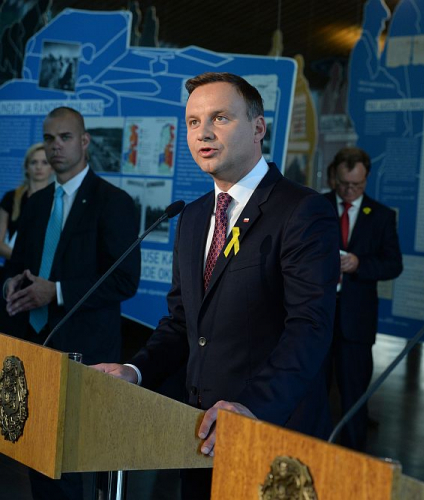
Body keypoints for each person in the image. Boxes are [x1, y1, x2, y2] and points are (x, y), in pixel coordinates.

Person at [93, 72, 339, 500]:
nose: (202, 132)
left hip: (271, 438)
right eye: (192, 122)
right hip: (199, 437)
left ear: (258, 127)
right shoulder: (190, 216)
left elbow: (309, 329)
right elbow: (183, 323)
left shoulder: (301, 210)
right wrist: (136, 371)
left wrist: (253, 407)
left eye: (220, 118)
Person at [2, 107, 140, 499]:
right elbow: (15, 265)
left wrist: (57, 291)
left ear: (84, 142)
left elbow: (124, 279)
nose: (55, 146)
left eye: (64, 137)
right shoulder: (36, 202)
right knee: (37, 460)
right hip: (32, 347)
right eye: (49, 138)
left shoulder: (113, 201)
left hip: (86, 351)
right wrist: (11, 282)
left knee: (73, 468)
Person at [323, 147, 403, 450]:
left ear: (366, 179)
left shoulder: (380, 216)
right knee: (313, 391)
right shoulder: (316, 206)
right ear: (335, 176)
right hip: (319, 315)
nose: (348, 191)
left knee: (354, 395)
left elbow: (393, 264)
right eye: (343, 184)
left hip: (356, 323)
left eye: (356, 185)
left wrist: (359, 264)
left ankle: (352, 458)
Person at [0, 143, 54, 260]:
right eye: (34, 162)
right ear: (26, 167)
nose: (39, 167)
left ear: (52, 168)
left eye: (44, 162)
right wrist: (20, 260)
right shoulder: (11, 197)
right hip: (13, 268)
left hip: (44, 272)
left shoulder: (58, 199)